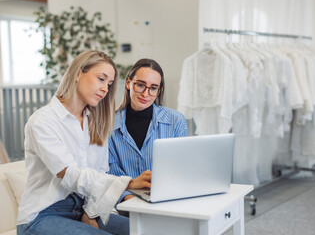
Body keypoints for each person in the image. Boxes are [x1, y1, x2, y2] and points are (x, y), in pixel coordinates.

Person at [17, 50, 151, 235]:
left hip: (80, 211)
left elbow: (99, 172)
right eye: (101, 79)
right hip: (42, 217)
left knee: (146, 230)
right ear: (78, 73)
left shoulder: (96, 123)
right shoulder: (42, 121)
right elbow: (70, 174)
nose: (105, 88)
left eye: (110, 84)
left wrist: (90, 211)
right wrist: (127, 183)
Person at [108, 58, 188, 202]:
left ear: (159, 91)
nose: (146, 94)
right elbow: (110, 173)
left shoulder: (176, 121)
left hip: (167, 199)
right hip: (124, 203)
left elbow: (181, 169)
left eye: (153, 88)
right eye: (140, 85)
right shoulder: (109, 124)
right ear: (128, 83)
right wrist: (129, 199)